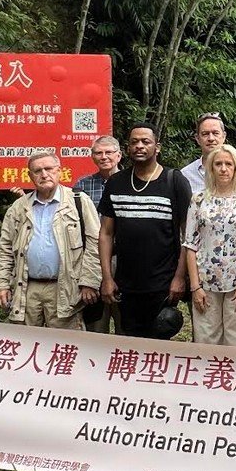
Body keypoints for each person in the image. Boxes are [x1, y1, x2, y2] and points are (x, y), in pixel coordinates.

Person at [99, 124, 192, 338]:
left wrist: (180, 277)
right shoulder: (116, 183)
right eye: (134, 142)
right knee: (131, 343)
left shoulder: (174, 180)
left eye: (145, 141)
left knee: (160, 341)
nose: (139, 146)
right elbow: (105, 233)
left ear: (157, 147)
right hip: (126, 284)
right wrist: (107, 278)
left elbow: (189, 235)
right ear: (128, 147)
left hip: (163, 283)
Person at [0, 152, 102, 329]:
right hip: (26, 288)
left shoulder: (78, 201)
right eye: (37, 171)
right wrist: (2, 285)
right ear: (30, 176)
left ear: (59, 171)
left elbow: (94, 243)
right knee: (25, 343)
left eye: (49, 169)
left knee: (65, 347)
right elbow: (5, 249)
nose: (44, 174)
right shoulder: (19, 207)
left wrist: (89, 282)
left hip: (65, 287)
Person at [184, 144, 236, 347]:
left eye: (229, 164)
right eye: (218, 164)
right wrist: (195, 287)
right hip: (205, 281)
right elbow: (190, 245)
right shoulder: (199, 200)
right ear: (211, 168)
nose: (223, 168)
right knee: (206, 338)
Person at [74, 135, 123, 333]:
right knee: (95, 322)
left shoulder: (130, 182)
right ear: (92, 157)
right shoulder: (82, 186)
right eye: (98, 153)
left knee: (125, 321)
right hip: (92, 257)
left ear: (119, 155)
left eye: (109, 152)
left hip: (123, 256)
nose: (104, 157)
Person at [181, 113, 236, 196]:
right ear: (197, 139)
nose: (211, 138)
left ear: (224, 136)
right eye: (205, 134)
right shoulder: (186, 175)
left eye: (215, 133)